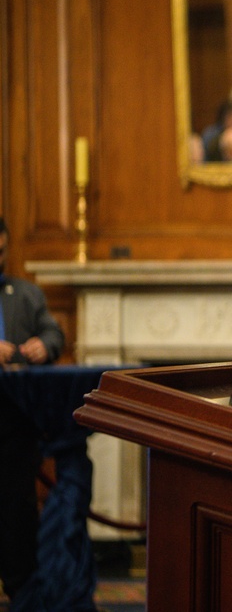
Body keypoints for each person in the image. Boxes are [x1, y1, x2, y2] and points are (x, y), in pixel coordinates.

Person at [0, 217, 65, 606]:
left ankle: (22, 590)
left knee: (17, 512)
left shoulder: (24, 294)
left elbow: (55, 333)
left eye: (1, 252)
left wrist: (45, 344)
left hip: (14, 423)